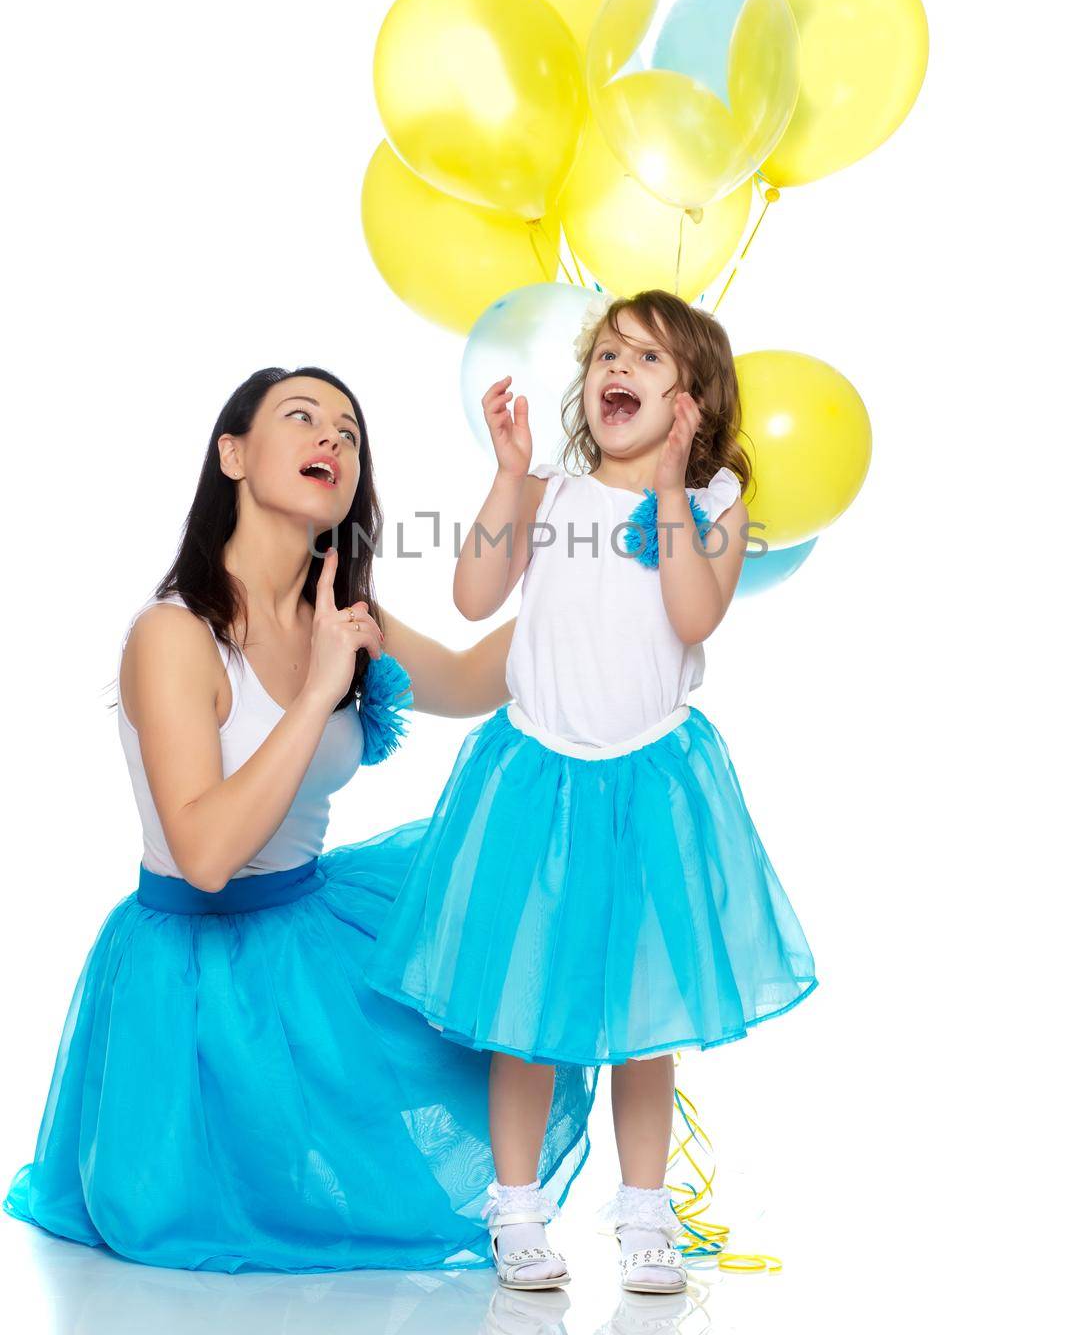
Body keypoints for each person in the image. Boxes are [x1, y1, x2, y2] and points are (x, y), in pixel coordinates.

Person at [3, 365, 596, 1274]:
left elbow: (480, 679)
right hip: (192, 978)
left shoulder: (344, 615)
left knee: (506, 940)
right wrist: (320, 687)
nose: (332, 439)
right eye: (303, 418)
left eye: (349, 432)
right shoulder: (172, 634)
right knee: (215, 1216)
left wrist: (579, 566)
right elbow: (204, 854)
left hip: (316, 935)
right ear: (232, 454)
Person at [364, 292, 818, 1294]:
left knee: (641, 1019)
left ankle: (643, 1214)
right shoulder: (555, 494)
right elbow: (475, 596)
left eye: (648, 360)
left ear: (691, 399)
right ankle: (516, 1208)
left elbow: (692, 615)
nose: (617, 366)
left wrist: (665, 486)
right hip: (536, 777)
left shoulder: (709, 506)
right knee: (520, 1005)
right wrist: (508, 475)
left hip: (647, 783)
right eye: (607, 351)